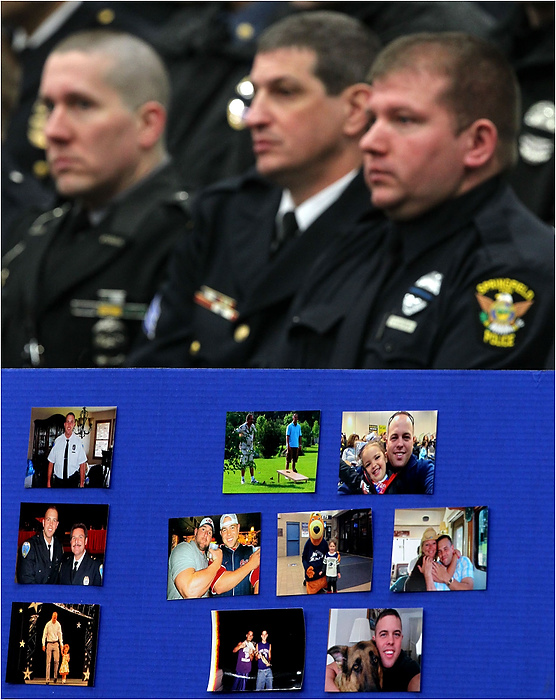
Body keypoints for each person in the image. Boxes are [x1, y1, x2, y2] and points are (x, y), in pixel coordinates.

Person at [276, 31, 554, 370]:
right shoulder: (352, 244)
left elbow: (449, 422)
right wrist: (237, 425)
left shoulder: (513, 273)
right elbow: (284, 396)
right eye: (373, 120)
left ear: (477, 144)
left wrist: (301, 425)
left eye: (404, 120)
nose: (370, 142)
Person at [128, 10, 382, 368]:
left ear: (355, 109)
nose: (254, 116)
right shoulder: (220, 212)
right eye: (254, 93)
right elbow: (152, 370)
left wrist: (232, 427)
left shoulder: (386, 229)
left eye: (285, 92)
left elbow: (363, 415)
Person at [2, 29, 191, 368]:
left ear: (148, 124)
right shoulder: (29, 231)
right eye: (49, 107)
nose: (54, 131)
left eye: (82, 104)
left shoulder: (195, 235)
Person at [340, 413, 434, 494]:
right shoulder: (366, 472)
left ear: (413, 442)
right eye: (394, 437)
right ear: (387, 442)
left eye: (406, 437)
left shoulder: (424, 470)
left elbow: (437, 488)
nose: (400, 444)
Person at [167, 517, 223, 599]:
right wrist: (217, 563)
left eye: (210, 532)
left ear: (211, 539)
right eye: (203, 529)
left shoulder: (206, 559)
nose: (206, 534)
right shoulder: (183, 548)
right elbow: (190, 593)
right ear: (196, 532)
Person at [210, 514, 260, 597]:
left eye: (232, 527)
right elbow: (219, 586)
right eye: (224, 530)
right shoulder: (215, 553)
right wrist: (251, 564)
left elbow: (259, 582)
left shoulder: (250, 551)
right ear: (221, 533)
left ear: (238, 528)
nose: (229, 534)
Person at [373, 609, 420, 692]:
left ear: (401, 639)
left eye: (396, 634)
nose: (391, 641)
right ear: (374, 640)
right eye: (383, 634)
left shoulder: (411, 668)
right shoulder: (368, 664)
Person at [18, 505, 63, 583]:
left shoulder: (59, 547)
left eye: (54, 520)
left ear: (57, 525)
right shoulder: (30, 546)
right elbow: (26, 579)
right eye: (48, 519)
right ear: (43, 522)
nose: (51, 524)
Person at [47, 413, 87, 488]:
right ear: (64, 424)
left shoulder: (78, 442)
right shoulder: (57, 441)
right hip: (58, 482)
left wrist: (82, 483)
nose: (69, 424)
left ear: (74, 424)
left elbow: (82, 464)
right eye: (67, 421)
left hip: (72, 481)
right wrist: (48, 482)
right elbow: (51, 462)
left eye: (71, 422)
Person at [236, 414, 258, 485]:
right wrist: (241, 437)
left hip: (250, 447)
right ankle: (242, 479)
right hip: (244, 448)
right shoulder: (242, 427)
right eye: (251, 419)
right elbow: (237, 433)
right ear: (248, 420)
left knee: (251, 463)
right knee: (243, 463)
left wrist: (252, 440)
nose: (252, 420)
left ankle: (252, 478)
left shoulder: (252, 426)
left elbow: (255, 433)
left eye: (252, 419)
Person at [42, 611, 63, 684]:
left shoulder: (58, 625)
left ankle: (55, 676)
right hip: (49, 644)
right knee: (48, 662)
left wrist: (61, 644)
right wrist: (43, 644)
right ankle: (47, 679)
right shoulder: (48, 624)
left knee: (56, 661)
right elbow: (44, 634)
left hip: (56, 643)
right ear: (52, 617)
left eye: (56, 618)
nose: (55, 619)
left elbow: (60, 635)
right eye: (54, 618)